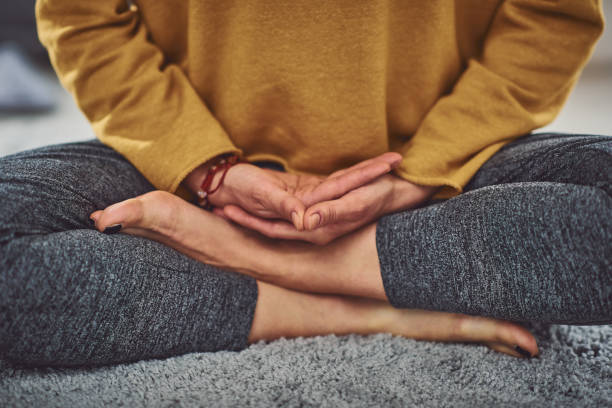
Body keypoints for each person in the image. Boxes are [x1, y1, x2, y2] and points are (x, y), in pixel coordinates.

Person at [0, 0, 609, 367]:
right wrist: (203, 165)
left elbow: (550, 17)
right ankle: (371, 306)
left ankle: (256, 260)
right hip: (189, 166)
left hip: (443, 171)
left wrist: (425, 171)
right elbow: (82, 16)